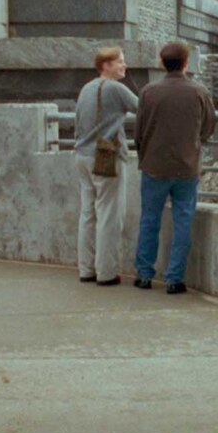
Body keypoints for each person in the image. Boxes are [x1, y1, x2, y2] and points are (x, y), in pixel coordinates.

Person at [132, 42, 216, 294]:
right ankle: (174, 279)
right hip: (186, 167)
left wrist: (144, 156)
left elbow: (138, 131)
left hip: (154, 166)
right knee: (183, 222)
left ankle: (144, 274)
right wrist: (194, 144)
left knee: (149, 220)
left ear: (162, 63)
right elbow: (209, 126)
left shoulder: (148, 92)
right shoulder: (199, 92)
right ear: (186, 63)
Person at [74, 47, 137, 286]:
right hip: (106, 154)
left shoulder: (86, 88)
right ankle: (106, 273)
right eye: (120, 62)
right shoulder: (115, 88)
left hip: (82, 154)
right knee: (109, 214)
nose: (125, 66)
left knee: (88, 213)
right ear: (106, 65)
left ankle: (86, 269)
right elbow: (143, 108)